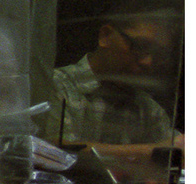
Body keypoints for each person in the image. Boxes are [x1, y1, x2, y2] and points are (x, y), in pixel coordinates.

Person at [40, 9, 182, 163]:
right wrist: (152, 152)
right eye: (140, 46)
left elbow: (174, 150)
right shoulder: (55, 85)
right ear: (106, 36)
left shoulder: (148, 109)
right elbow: (50, 151)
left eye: (159, 55)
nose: (147, 62)